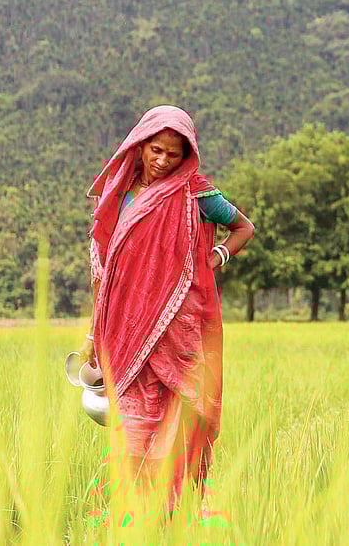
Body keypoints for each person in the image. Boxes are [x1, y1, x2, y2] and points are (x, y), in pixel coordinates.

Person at [78, 106, 255, 510]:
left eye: (173, 155)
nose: (162, 161)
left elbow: (244, 226)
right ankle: (131, 513)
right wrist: (93, 334)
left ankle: (174, 512)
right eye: (155, 150)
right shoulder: (119, 197)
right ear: (140, 146)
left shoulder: (196, 194)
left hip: (180, 331)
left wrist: (219, 255)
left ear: (187, 154)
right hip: (125, 332)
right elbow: (102, 271)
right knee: (133, 427)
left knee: (179, 420)